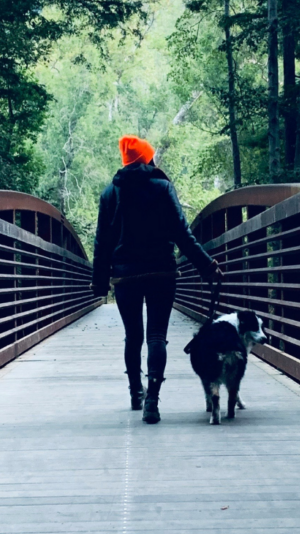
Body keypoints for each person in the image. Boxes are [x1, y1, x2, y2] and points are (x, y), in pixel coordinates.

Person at [91, 135, 223, 424]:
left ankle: (135, 391)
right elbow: (182, 235)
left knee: (133, 336)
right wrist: (206, 266)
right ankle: (152, 400)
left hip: (125, 277)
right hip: (162, 273)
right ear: (147, 159)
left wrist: (100, 281)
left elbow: (102, 242)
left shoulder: (109, 194)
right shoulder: (163, 188)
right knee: (155, 337)